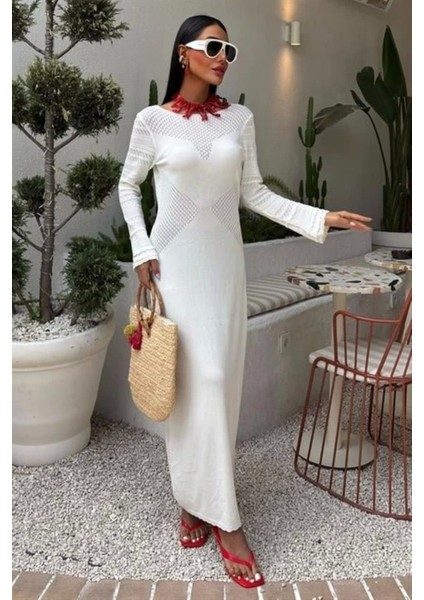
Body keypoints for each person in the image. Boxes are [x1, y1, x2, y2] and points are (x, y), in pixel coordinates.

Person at [118, 14, 372, 589]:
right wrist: (141, 248)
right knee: (197, 383)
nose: (223, 57)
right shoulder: (152, 121)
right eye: (213, 46)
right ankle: (222, 519)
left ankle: (197, 501)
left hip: (223, 271)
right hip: (175, 268)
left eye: (228, 50)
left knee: (220, 385)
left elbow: (254, 193)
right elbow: (128, 185)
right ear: (183, 53)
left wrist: (320, 218)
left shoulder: (240, 119)